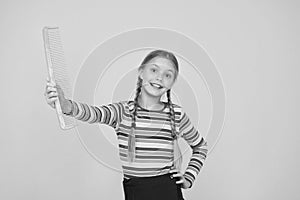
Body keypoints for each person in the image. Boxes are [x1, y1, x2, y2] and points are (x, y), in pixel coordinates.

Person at [44, 49, 208, 200]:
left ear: (172, 82)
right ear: (141, 72)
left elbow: (200, 147)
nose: (159, 77)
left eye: (168, 75)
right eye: (154, 70)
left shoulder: (176, 114)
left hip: (168, 192)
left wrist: (188, 178)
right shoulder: (122, 111)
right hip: (135, 193)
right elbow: (94, 113)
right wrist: (66, 105)